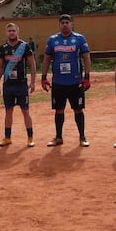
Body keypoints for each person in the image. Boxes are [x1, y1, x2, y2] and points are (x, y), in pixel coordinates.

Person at [41, 14, 92, 147]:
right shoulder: (52, 40)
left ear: (72, 24)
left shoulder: (79, 38)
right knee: (59, 110)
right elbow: (46, 59)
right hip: (58, 83)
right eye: (62, 22)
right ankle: (58, 137)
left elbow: (86, 58)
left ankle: (82, 137)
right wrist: (44, 77)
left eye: (67, 22)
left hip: (75, 82)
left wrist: (86, 77)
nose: (65, 24)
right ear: (59, 25)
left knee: (78, 110)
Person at [0, 23, 36, 147]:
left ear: (17, 31)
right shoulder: (3, 48)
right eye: (9, 31)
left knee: (25, 111)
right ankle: (7, 137)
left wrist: (33, 81)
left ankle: (30, 138)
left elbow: (32, 64)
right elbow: (0, 66)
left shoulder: (25, 46)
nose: (11, 32)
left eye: (13, 30)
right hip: (8, 85)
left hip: (21, 85)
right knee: (8, 111)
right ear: (6, 32)